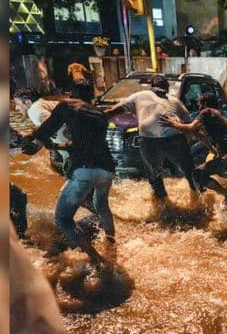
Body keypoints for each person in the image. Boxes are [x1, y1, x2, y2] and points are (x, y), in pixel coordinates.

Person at [21, 98, 116, 263]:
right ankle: (111, 243)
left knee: (63, 219)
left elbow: (48, 127)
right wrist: (55, 147)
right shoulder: (95, 114)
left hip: (85, 170)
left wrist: (30, 136)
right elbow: (79, 143)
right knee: (101, 205)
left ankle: (96, 259)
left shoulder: (65, 105)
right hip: (107, 170)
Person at [104, 76, 197, 201]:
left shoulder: (139, 95)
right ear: (167, 88)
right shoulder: (173, 101)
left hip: (151, 141)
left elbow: (112, 111)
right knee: (189, 171)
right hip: (172, 139)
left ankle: (163, 206)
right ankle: (196, 199)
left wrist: (94, 118)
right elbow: (189, 123)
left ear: (151, 86)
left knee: (155, 176)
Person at [163, 93, 227, 207]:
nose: (199, 108)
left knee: (197, 174)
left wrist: (173, 124)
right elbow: (197, 133)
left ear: (204, 104)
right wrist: (211, 149)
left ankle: (226, 194)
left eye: (199, 104)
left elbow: (191, 127)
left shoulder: (207, 112)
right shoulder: (219, 117)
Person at [13, 87, 70, 174]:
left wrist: (37, 141)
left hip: (76, 148)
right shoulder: (43, 103)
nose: (16, 108)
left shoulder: (34, 109)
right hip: (84, 138)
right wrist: (32, 134)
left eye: (17, 104)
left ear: (27, 102)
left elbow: (50, 121)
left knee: (72, 174)